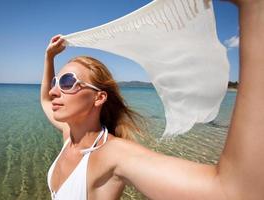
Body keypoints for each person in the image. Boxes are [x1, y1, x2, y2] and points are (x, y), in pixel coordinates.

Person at [40, 0, 264, 199]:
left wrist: (254, 8)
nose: (54, 91)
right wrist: (49, 57)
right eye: (55, 82)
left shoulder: (112, 155)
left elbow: (235, 191)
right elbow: (45, 102)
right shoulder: (70, 136)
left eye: (67, 82)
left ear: (99, 98)